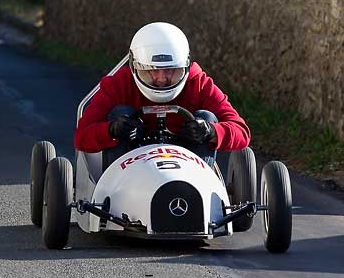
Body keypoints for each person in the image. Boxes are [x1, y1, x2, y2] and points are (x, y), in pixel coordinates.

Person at [74, 22, 251, 169]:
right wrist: (112, 130)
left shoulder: (198, 84)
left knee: (206, 117)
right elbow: (81, 137)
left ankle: (198, 195)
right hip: (130, 174)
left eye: (171, 70)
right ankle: (116, 196)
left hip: (188, 170)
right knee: (120, 112)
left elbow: (242, 132)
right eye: (151, 71)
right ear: (135, 67)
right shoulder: (118, 84)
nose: (161, 79)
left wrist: (210, 131)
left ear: (185, 66)